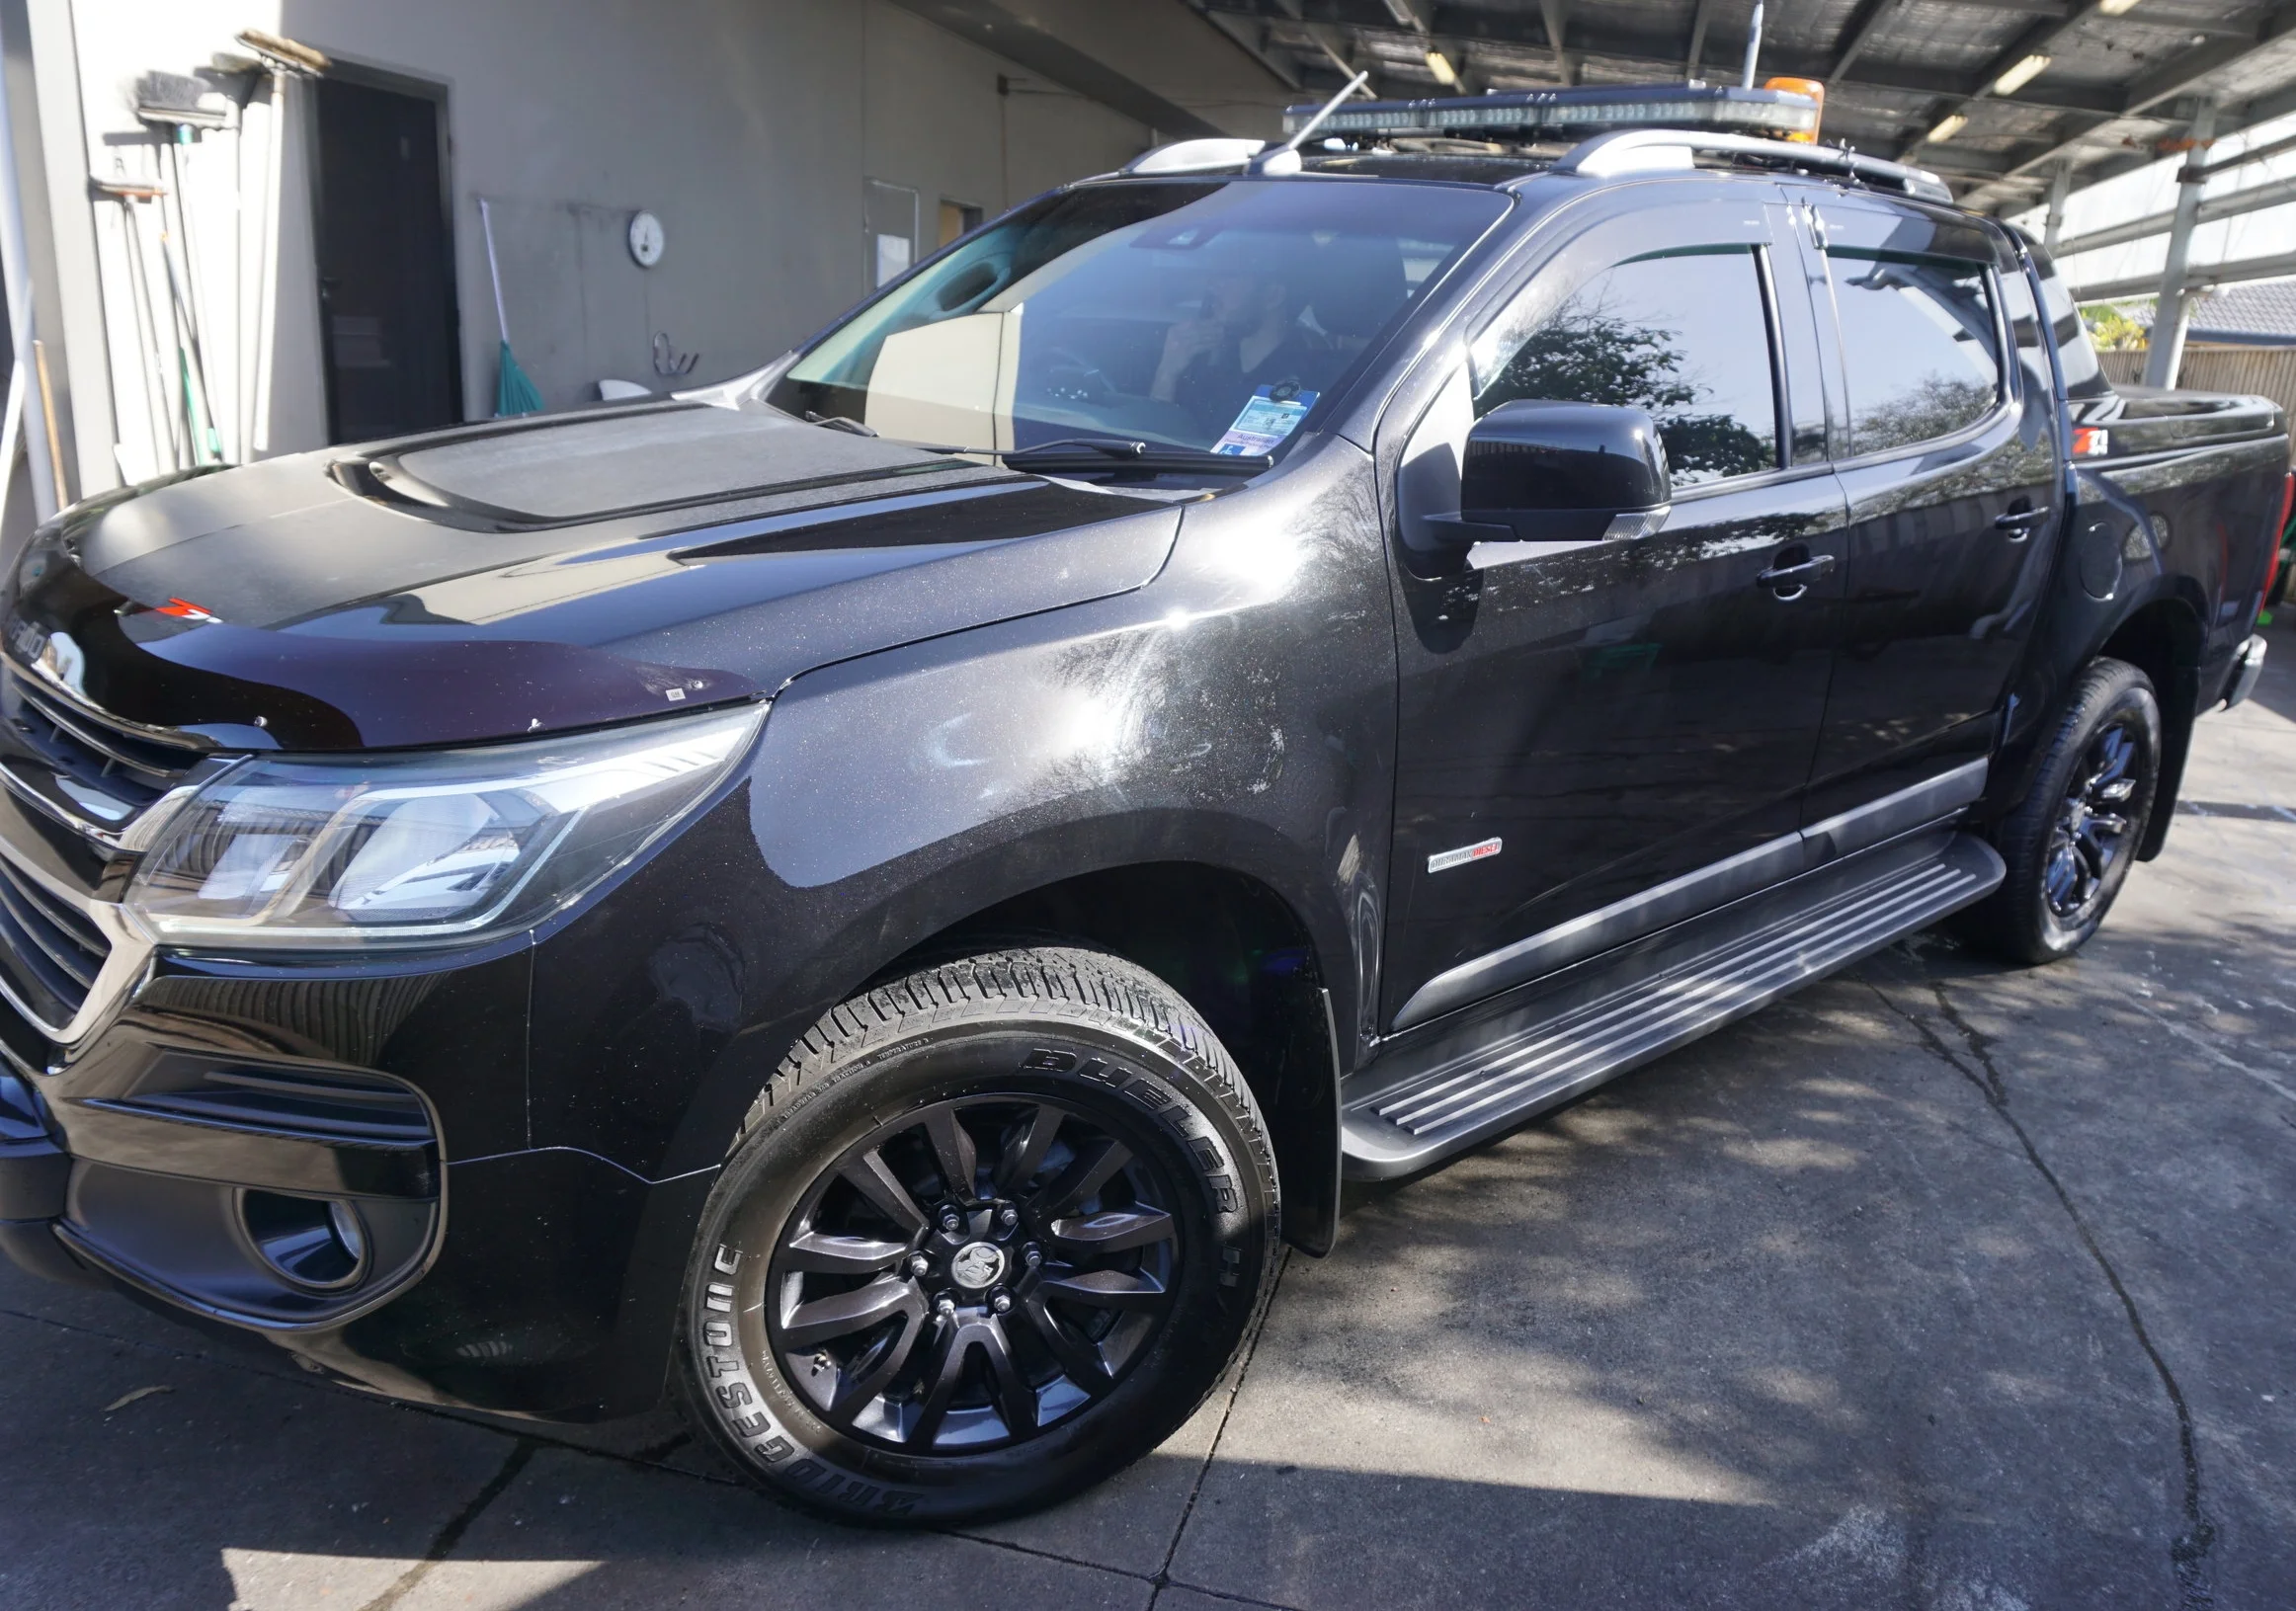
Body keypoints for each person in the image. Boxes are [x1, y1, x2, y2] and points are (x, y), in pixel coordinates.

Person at [1150, 269, 1331, 438]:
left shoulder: (1305, 383)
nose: (1213, 285)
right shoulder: (1207, 364)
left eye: (1230, 274)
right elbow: (1159, 437)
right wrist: (1168, 372)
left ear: (1273, 296)